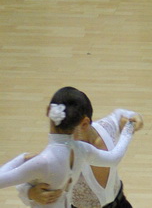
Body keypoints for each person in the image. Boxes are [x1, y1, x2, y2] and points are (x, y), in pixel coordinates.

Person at [0, 87, 138, 208]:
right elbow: (115, 158)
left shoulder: (44, 161)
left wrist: (22, 157)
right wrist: (129, 128)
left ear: (48, 111)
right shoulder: (81, 149)